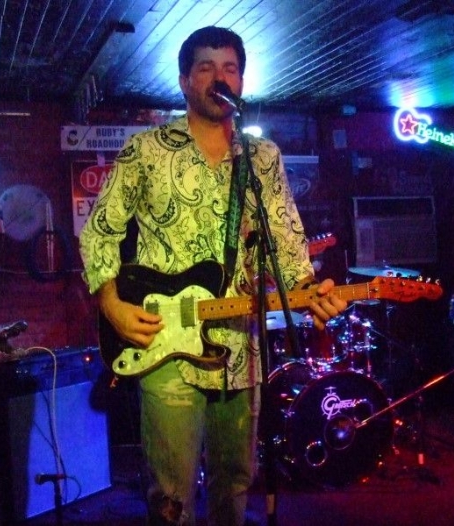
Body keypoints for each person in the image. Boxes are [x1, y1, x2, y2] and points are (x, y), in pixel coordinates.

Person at [79, 26, 346, 526]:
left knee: (235, 483)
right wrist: (111, 303)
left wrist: (309, 293)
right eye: (206, 67)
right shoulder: (146, 151)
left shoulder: (261, 157)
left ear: (241, 81)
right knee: (172, 493)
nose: (219, 77)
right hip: (166, 345)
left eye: (229, 68)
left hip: (241, 351)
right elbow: (100, 232)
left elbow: (287, 244)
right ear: (185, 81)